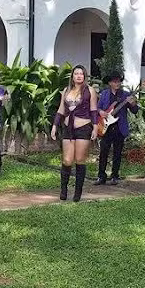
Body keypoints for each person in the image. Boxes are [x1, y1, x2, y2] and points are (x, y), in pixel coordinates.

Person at [50, 65, 99, 202]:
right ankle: (64, 189)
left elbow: (94, 110)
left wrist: (95, 127)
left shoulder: (90, 91)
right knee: (66, 160)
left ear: (85, 76)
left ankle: (78, 192)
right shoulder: (66, 90)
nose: (78, 76)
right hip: (68, 128)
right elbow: (61, 109)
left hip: (83, 127)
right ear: (72, 76)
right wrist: (54, 125)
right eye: (76, 73)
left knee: (80, 160)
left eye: (81, 74)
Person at [95, 71, 139, 186]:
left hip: (119, 128)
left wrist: (133, 103)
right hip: (106, 127)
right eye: (115, 81)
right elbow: (97, 108)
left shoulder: (125, 95)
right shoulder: (104, 94)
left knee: (117, 153)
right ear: (110, 83)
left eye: (119, 81)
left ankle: (115, 176)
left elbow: (135, 111)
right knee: (103, 153)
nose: (117, 83)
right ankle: (101, 176)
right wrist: (102, 112)